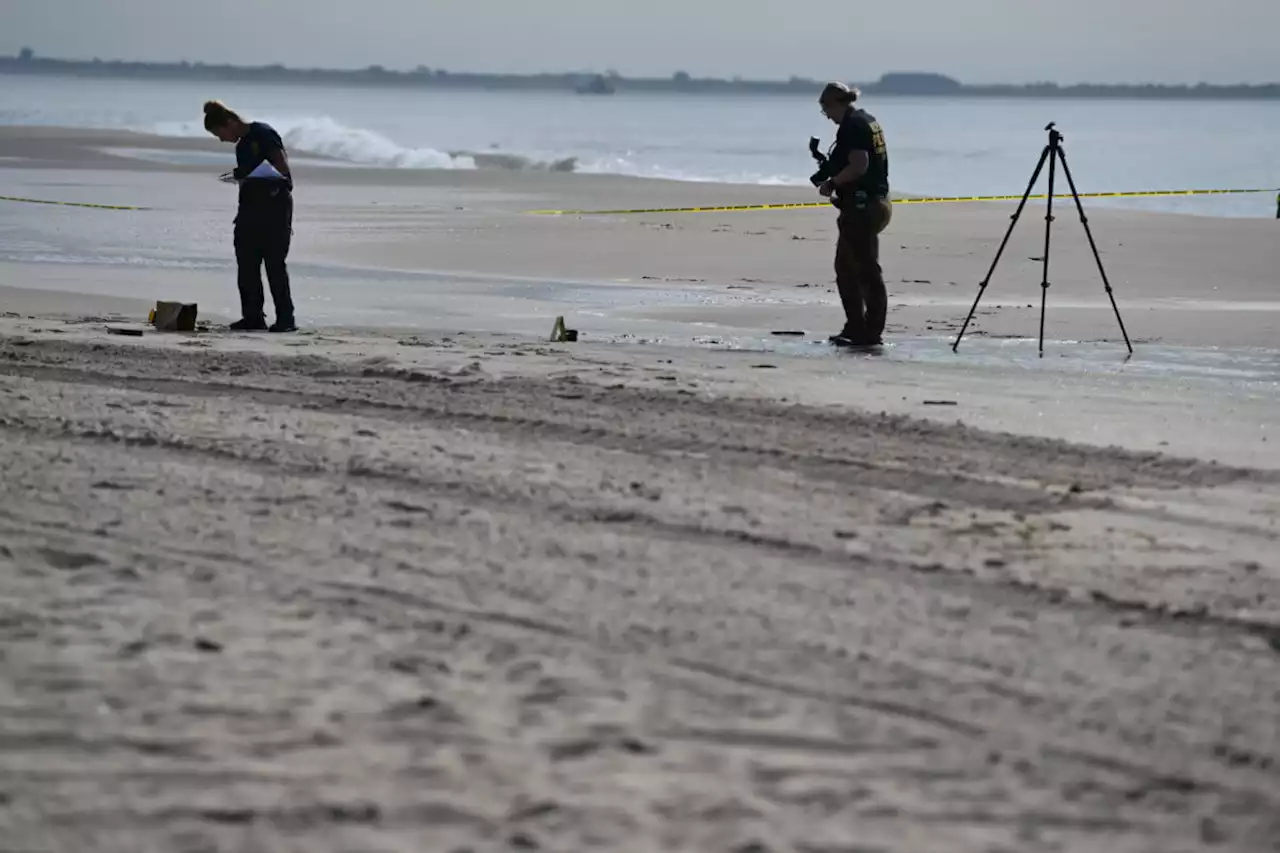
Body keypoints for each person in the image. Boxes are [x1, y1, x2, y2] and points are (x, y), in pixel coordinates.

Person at [203, 100, 297, 332]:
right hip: (249, 209)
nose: (222, 140)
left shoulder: (263, 133)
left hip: (275, 207)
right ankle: (253, 316)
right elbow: (248, 173)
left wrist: (264, 179)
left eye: (220, 134)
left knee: (275, 265)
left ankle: (286, 319)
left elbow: (282, 167)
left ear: (230, 123)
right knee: (247, 264)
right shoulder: (241, 147)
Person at [815, 82, 891, 346]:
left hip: (864, 207)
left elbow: (860, 165)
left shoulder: (854, 126)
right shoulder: (867, 120)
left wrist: (832, 183)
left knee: (863, 270)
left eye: (825, 108)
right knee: (851, 268)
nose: (825, 114)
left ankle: (867, 332)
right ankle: (858, 328)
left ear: (837, 103)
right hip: (874, 202)